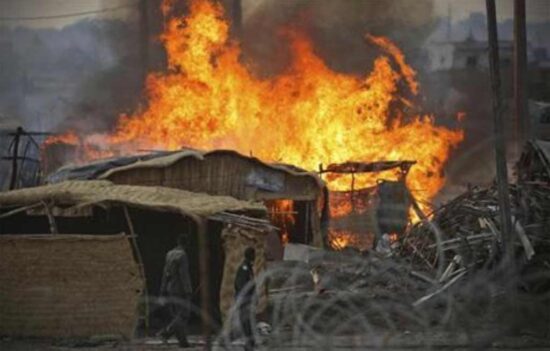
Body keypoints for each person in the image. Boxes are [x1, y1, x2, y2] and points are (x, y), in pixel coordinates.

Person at [159, 234, 192, 348]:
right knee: (183, 315)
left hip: (170, 288)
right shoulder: (183, 255)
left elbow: (165, 274)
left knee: (177, 316)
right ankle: (165, 333)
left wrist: (162, 290)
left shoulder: (169, 254)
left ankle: (182, 342)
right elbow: (184, 275)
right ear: (186, 244)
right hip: (180, 290)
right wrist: (188, 290)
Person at [234, 247, 257, 351]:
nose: (255, 256)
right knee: (246, 323)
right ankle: (249, 344)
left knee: (249, 322)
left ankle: (251, 343)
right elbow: (242, 285)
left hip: (248, 300)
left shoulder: (248, 267)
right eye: (254, 254)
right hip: (245, 301)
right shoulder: (244, 268)